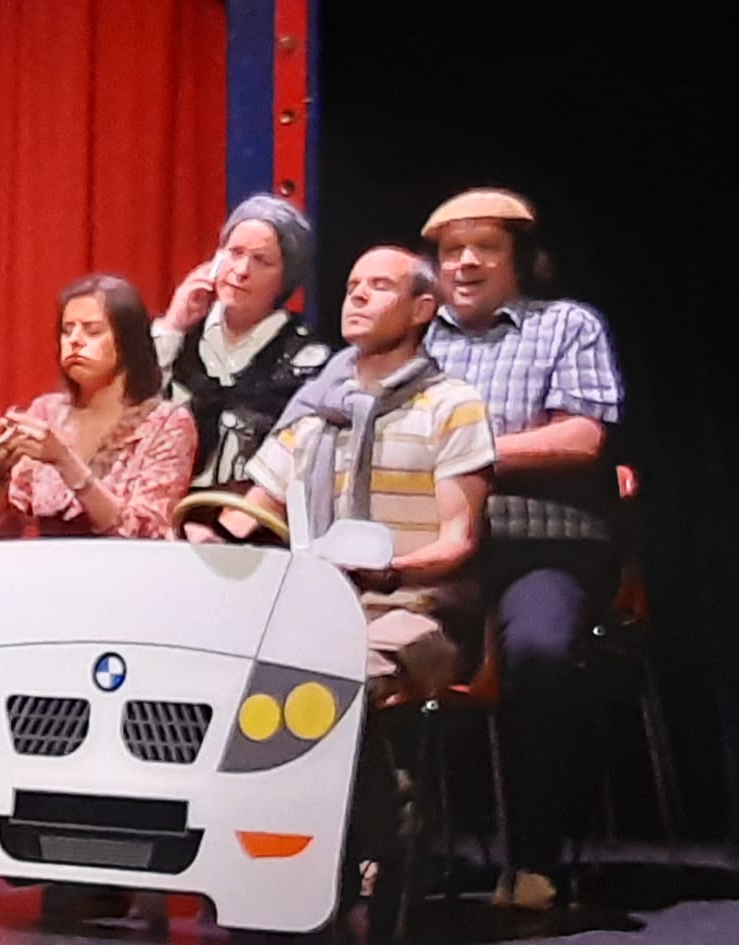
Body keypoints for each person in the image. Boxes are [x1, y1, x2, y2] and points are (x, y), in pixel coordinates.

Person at [279, 187, 626, 909]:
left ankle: (535, 856)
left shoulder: (564, 325)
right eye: (450, 250)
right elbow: (309, 417)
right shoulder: (408, 333)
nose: (465, 262)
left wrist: (462, 448)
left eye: (485, 248)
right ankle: (390, 844)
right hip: (416, 557)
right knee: (329, 655)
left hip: (532, 545)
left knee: (541, 652)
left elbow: (583, 435)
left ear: (520, 260)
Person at [191, 246, 497, 935]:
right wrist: (206, 537)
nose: (356, 296)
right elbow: (250, 511)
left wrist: (389, 571)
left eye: (379, 286)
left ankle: (379, 845)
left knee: (334, 682)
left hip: (420, 609)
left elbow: (460, 539)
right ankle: (273, 856)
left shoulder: (452, 405)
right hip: (322, 611)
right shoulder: (315, 416)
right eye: (353, 284)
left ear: (422, 309)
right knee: (233, 676)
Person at [0, 274, 198, 540]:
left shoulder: (165, 422)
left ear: (127, 341)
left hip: (123, 565)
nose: (75, 340)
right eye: (67, 330)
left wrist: (66, 462)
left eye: (92, 331)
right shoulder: (45, 413)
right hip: (50, 563)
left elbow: (146, 532)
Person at [153, 194, 334, 491]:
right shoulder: (179, 339)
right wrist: (172, 325)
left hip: (249, 511)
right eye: (234, 253)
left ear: (286, 277)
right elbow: (133, 415)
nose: (241, 271)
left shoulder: (306, 359)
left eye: (261, 261)